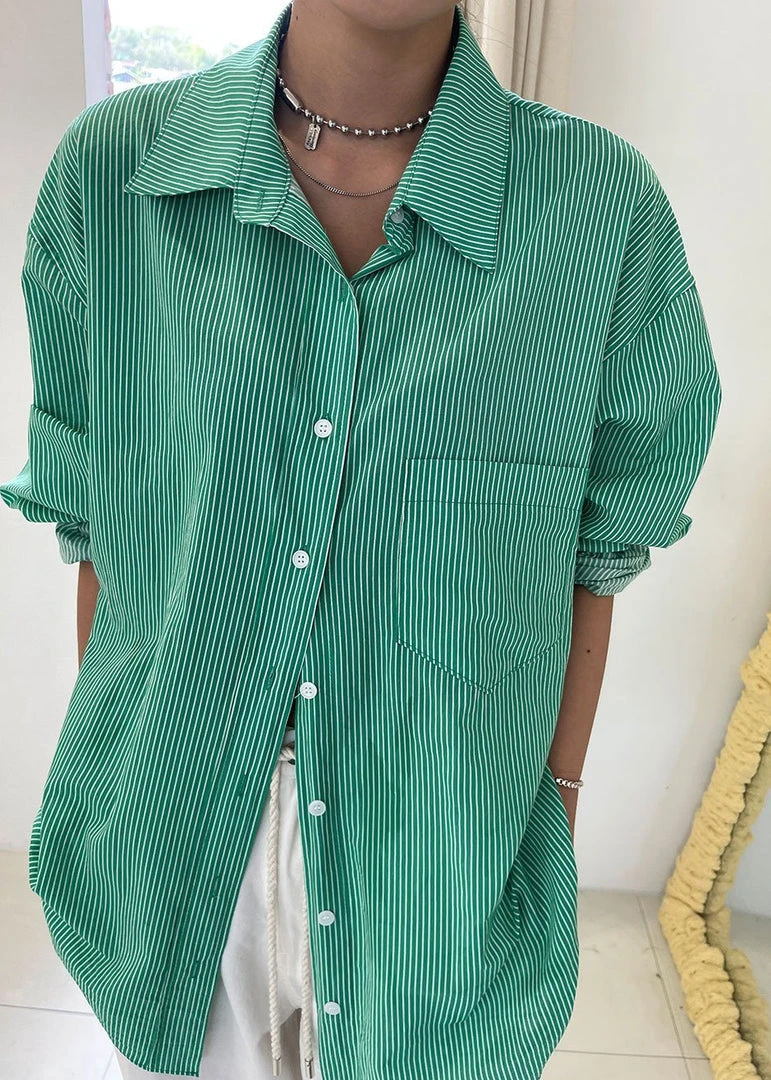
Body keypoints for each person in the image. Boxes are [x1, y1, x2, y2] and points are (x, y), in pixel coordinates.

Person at [0, 1, 722, 1078]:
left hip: (438, 867)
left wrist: (553, 810)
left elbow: (596, 557)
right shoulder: (117, 176)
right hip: (173, 846)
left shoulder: (599, 214)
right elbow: (101, 527)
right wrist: (128, 789)